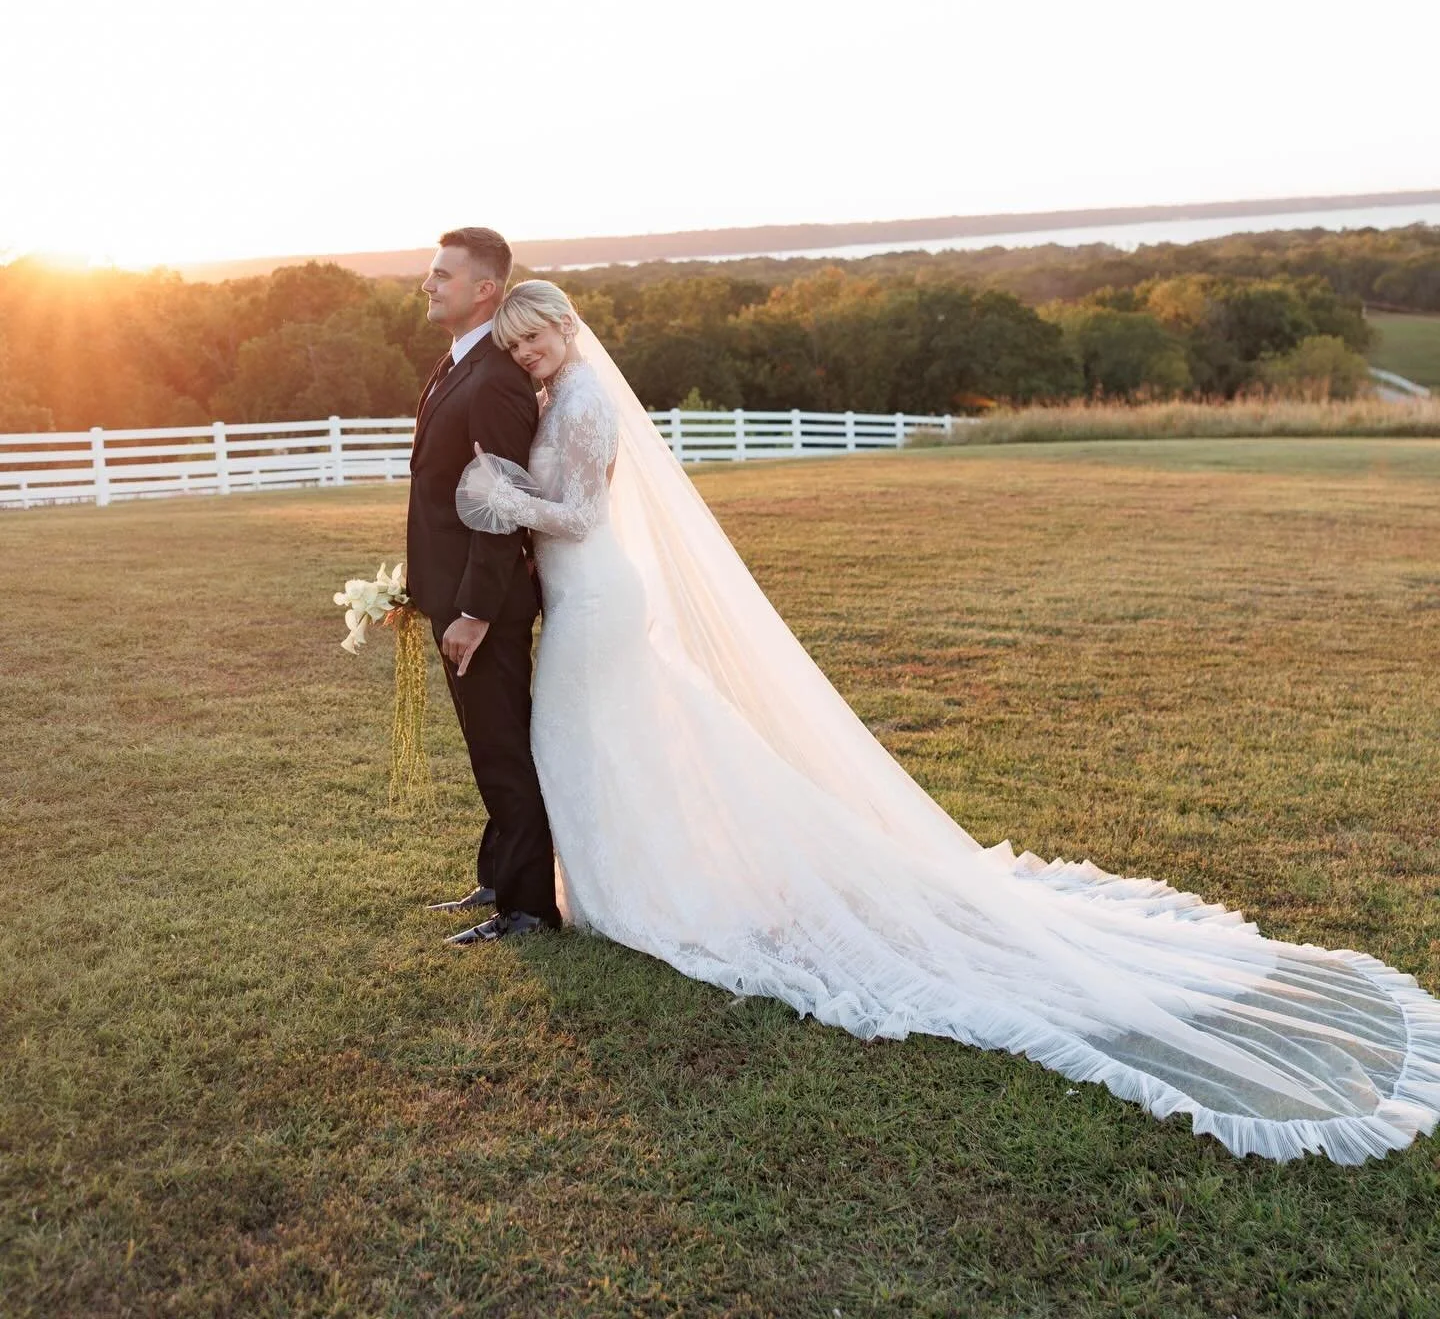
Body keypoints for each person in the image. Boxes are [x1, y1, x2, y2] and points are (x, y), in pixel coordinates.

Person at [455, 278, 1440, 1164]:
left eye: (539, 342)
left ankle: (643, 894)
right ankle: (624, 882)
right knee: (599, 744)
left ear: (566, 330)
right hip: (589, 602)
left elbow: (578, 514)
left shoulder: (583, 399)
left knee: (584, 743)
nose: (532, 359)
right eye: (521, 350)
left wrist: (497, 492)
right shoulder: (568, 394)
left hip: (595, 599)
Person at [404, 230, 559, 939]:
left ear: (485, 290)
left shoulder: (496, 378)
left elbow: (502, 507)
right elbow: (443, 493)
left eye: (443, 275)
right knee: (484, 741)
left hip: (485, 606)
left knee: (502, 744)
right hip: (453, 592)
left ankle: (527, 906)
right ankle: (498, 876)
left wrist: (471, 609)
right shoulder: (455, 363)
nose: (428, 284)